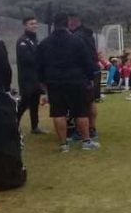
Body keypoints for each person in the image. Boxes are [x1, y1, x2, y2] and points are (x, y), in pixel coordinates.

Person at [36, 12, 99, 153]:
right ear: (66, 23)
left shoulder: (44, 43)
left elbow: (39, 66)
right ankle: (86, 141)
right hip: (76, 80)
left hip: (54, 82)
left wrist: (43, 83)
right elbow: (86, 62)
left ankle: (64, 144)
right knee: (81, 112)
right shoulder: (77, 41)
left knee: (58, 113)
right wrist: (90, 78)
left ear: (53, 24)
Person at [69, 13, 100, 140]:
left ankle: (81, 131)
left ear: (73, 22)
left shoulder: (76, 37)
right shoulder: (89, 35)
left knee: (80, 104)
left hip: (83, 73)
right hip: (94, 71)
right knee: (91, 102)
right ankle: (92, 128)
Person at [16, 17, 46, 134]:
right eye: (31, 23)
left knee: (35, 103)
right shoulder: (22, 41)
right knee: (24, 103)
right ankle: (14, 125)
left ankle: (35, 127)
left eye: (35, 23)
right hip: (26, 79)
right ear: (25, 25)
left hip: (36, 78)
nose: (34, 25)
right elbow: (28, 59)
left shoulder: (35, 40)